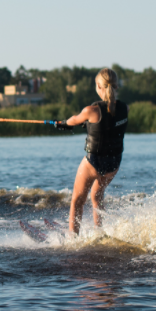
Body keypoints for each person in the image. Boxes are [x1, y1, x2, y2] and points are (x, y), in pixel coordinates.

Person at [55, 68, 128, 235]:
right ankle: (99, 232)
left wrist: (61, 123)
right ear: (116, 86)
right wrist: (88, 124)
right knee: (96, 195)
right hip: (113, 165)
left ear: (98, 86)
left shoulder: (91, 111)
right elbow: (108, 123)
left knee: (77, 201)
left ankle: (72, 238)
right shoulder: (125, 108)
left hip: (94, 163)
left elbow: (73, 120)